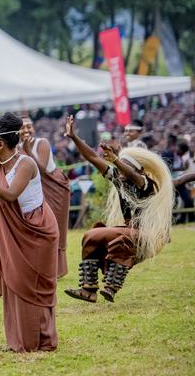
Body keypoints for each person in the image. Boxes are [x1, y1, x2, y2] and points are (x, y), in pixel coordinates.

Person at [0, 113, 59, 353]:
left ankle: (42, 340)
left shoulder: (26, 163)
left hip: (35, 230)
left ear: (1, 144)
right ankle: (19, 340)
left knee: (32, 285)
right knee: (14, 283)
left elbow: (10, 194)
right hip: (12, 232)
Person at [63, 115, 173, 303]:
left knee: (123, 240)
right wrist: (73, 137)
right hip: (128, 229)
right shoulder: (118, 178)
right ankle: (88, 289)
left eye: (124, 168)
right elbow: (91, 156)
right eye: (119, 168)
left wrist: (116, 160)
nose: (120, 172)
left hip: (145, 233)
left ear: (136, 170)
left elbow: (129, 172)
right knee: (92, 235)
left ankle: (111, 287)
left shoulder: (143, 182)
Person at [20, 116, 70, 278]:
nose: (27, 130)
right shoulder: (15, 147)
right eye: (23, 127)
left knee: (54, 225)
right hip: (34, 190)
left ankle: (57, 269)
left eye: (29, 126)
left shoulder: (41, 143)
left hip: (52, 185)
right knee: (37, 227)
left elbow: (41, 169)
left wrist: (28, 151)